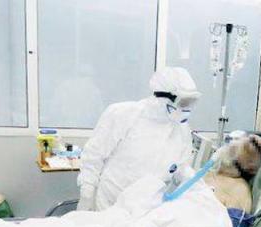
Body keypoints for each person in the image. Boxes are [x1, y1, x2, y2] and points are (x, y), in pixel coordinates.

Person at [76, 67, 201, 211]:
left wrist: (190, 178)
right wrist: (87, 193)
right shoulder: (123, 115)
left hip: (148, 210)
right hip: (110, 205)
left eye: (192, 102)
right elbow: (94, 156)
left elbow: (181, 167)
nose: (187, 108)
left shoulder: (181, 130)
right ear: (163, 97)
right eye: (183, 102)